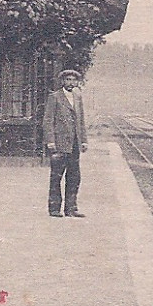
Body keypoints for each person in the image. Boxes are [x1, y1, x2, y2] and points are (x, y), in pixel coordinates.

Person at [43, 68, 88, 218]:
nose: (71, 83)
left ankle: (71, 208)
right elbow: (48, 121)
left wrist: (84, 141)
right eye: (68, 80)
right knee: (56, 176)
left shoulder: (78, 97)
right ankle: (54, 208)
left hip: (74, 144)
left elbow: (80, 121)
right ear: (63, 81)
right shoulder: (54, 97)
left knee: (74, 176)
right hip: (59, 143)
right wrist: (50, 141)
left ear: (77, 82)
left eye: (73, 80)